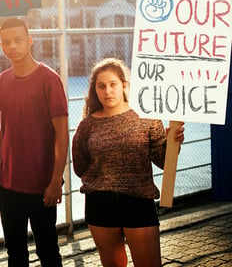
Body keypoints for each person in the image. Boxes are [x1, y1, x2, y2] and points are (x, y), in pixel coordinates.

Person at [72, 58, 185, 267]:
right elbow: (79, 167)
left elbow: (162, 161)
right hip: (100, 205)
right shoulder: (86, 126)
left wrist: (172, 144)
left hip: (138, 202)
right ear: (94, 90)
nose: (108, 91)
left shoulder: (147, 117)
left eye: (113, 84)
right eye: (101, 86)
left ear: (124, 86)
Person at [0, 17, 68, 266]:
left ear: (30, 41)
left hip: (41, 186)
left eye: (18, 40)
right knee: (15, 253)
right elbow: (4, 132)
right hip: (8, 184)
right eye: (6, 42)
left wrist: (56, 181)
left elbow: (62, 134)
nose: (13, 46)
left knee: (47, 251)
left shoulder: (49, 79)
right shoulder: (2, 81)